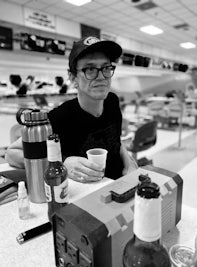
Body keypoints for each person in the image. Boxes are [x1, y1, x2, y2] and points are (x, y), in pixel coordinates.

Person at [5, 36, 138, 182]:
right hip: (87, 197)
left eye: (106, 68)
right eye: (90, 69)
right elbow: (12, 153)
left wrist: (128, 162)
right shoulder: (59, 117)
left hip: (121, 185)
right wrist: (62, 164)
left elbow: (115, 140)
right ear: (73, 78)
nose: (101, 77)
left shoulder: (112, 100)